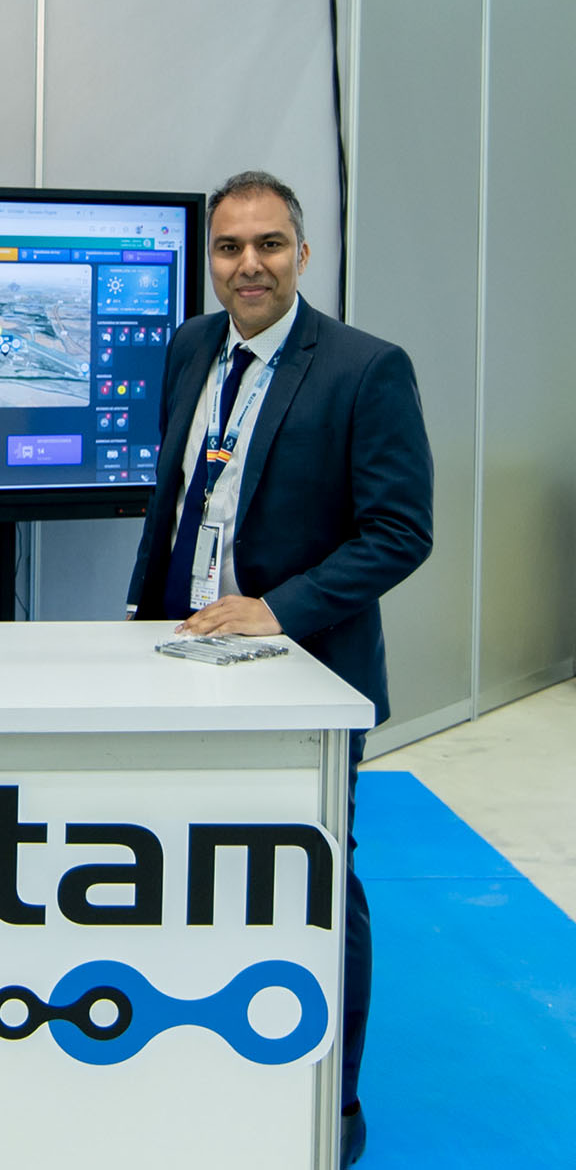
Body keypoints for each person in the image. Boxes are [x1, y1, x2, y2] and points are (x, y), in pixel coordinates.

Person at [126, 170, 432, 1167]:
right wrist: (139, 616)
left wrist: (276, 609)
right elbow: (178, 500)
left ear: (302, 252)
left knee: (315, 877)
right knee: (184, 866)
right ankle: (203, 1055)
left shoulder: (364, 369)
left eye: (268, 245)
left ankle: (330, 1101)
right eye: (229, 248)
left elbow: (400, 532)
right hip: (179, 659)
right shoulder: (189, 348)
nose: (247, 265)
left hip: (301, 674)